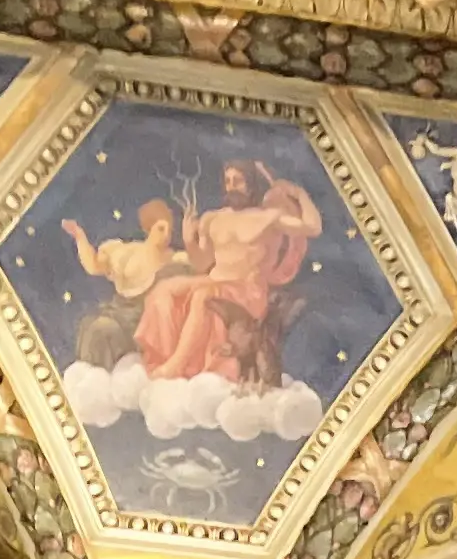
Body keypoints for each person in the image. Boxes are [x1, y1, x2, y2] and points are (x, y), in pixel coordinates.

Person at [133, 158, 322, 387]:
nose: (232, 186)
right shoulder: (213, 219)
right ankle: (160, 359)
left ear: (251, 184)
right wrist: (188, 240)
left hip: (247, 290)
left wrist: (300, 194)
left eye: (238, 181)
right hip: (214, 280)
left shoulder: (267, 218)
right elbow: (201, 262)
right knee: (163, 290)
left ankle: (176, 365)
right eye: (228, 181)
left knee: (203, 298)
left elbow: (313, 228)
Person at [58, 199, 180, 369]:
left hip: (147, 323)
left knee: (105, 332)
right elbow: (94, 266)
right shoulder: (126, 252)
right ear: (148, 228)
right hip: (121, 314)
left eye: (169, 229)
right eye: (161, 228)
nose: (166, 235)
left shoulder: (173, 260)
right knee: (93, 328)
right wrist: (80, 237)